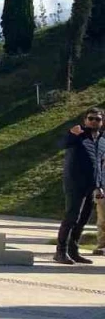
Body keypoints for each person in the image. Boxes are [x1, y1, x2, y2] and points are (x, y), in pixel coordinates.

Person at [55, 107, 105, 265]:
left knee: (83, 219)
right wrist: (71, 134)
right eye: (91, 118)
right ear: (85, 120)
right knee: (72, 217)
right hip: (74, 183)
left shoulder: (103, 140)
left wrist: (100, 185)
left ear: (102, 122)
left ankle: (73, 251)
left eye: (97, 119)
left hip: (92, 185)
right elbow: (61, 144)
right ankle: (60, 252)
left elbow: (100, 164)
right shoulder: (77, 135)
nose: (94, 121)